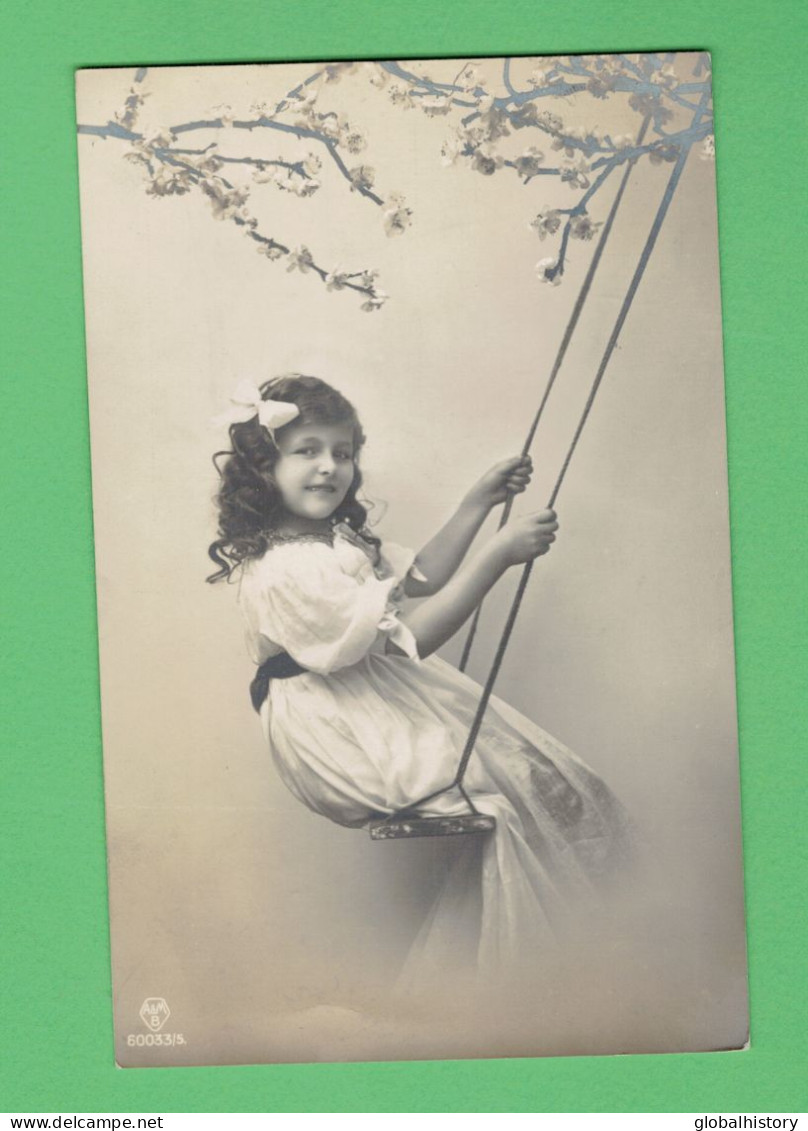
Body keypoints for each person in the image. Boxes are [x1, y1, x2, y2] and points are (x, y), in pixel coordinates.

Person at [208, 373, 633, 980]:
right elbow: (414, 642)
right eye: (307, 451)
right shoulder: (285, 568)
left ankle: (576, 948)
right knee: (519, 788)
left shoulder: (331, 541)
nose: (329, 467)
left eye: (343, 452)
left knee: (546, 778)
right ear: (263, 468)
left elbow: (420, 583)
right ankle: (532, 973)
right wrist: (497, 556)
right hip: (333, 729)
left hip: (366, 698)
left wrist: (477, 504)